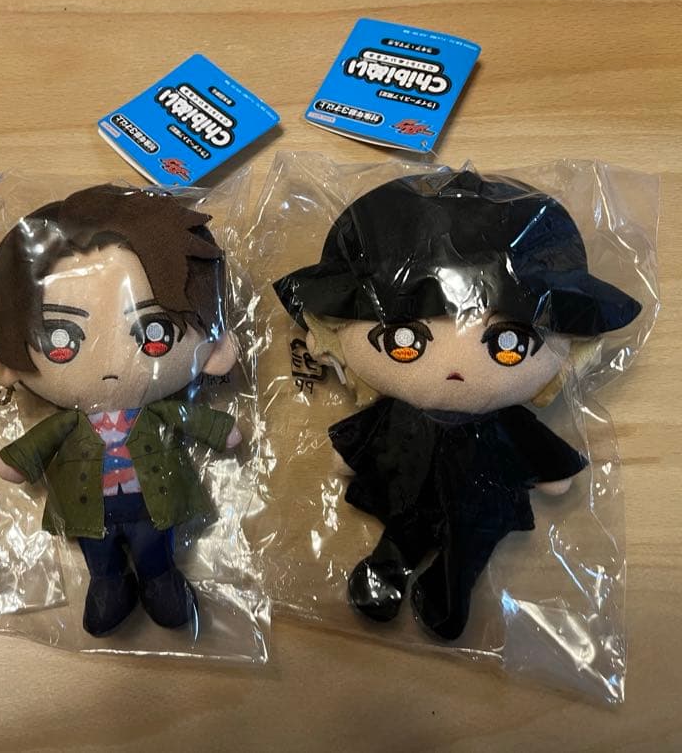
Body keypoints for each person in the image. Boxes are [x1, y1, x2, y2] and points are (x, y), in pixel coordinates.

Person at [274, 170, 642, 640]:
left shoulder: (504, 421)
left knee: (467, 550)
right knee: (404, 531)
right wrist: (349, 456)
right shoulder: (404, 413)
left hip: (479, 508)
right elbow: (364, 437)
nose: (455, 368)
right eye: (404, 340)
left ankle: (450, 589)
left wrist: (552, 472)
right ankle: (388, 569)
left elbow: (538, 451)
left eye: (508, 343)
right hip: (411, 494)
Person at [0, 185, 241, 636]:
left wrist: (221, 431)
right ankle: (108, 584)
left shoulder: (158, 413)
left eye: (155, 331)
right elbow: (41, 441)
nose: (111, 363)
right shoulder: (70, 422)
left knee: (154, 547)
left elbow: (192, 419)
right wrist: (19, 461)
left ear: (215, 352)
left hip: (151, 503)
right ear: (2, 361)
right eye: (61, 340)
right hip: (89, 509)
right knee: (99, 554)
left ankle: (159, 578)